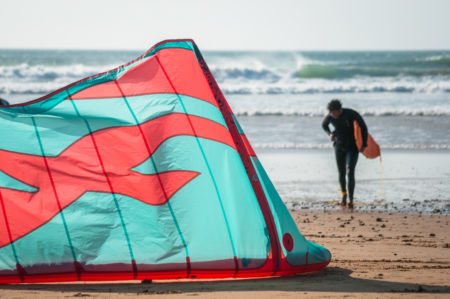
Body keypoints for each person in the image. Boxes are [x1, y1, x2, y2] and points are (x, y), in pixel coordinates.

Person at [322, 99, 367, 209]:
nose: (333, 115)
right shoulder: (330, 116)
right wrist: (330, 134)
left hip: (352, 147)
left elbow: (363, 127)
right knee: (341, 172)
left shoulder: (351, 114)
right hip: (339, 146)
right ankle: (343, 195)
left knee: (350, 170)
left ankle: (351, 199)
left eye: (334, 113)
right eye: (331, 113)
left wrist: (364, 144)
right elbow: (324, 125)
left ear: (339, 110)